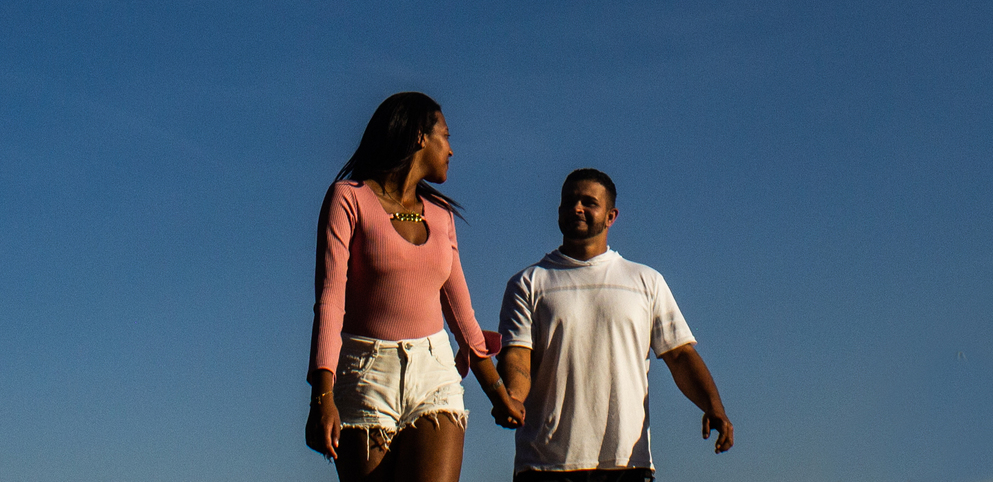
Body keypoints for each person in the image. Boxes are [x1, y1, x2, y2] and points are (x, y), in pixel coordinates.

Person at [307, 92, 524, 479]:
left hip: (434, 371)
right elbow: (330, 300)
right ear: (420, 137)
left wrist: (498, 393)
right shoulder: (349, 198)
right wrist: (322, 396)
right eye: (446, 135)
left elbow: (462, 315)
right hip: (366, 372)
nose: (452, 150)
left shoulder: (441, 217)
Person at [497, 168, 733, 481]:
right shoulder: (528, 283)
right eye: (569, 201)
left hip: (627, 464)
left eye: (588, 202)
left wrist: (713, 406)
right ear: (558, 212)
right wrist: (512, 397)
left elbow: (679, 355)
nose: (577, 208)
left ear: (611, 216)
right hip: (545, 464)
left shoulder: (645, 282)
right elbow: (517, 356)